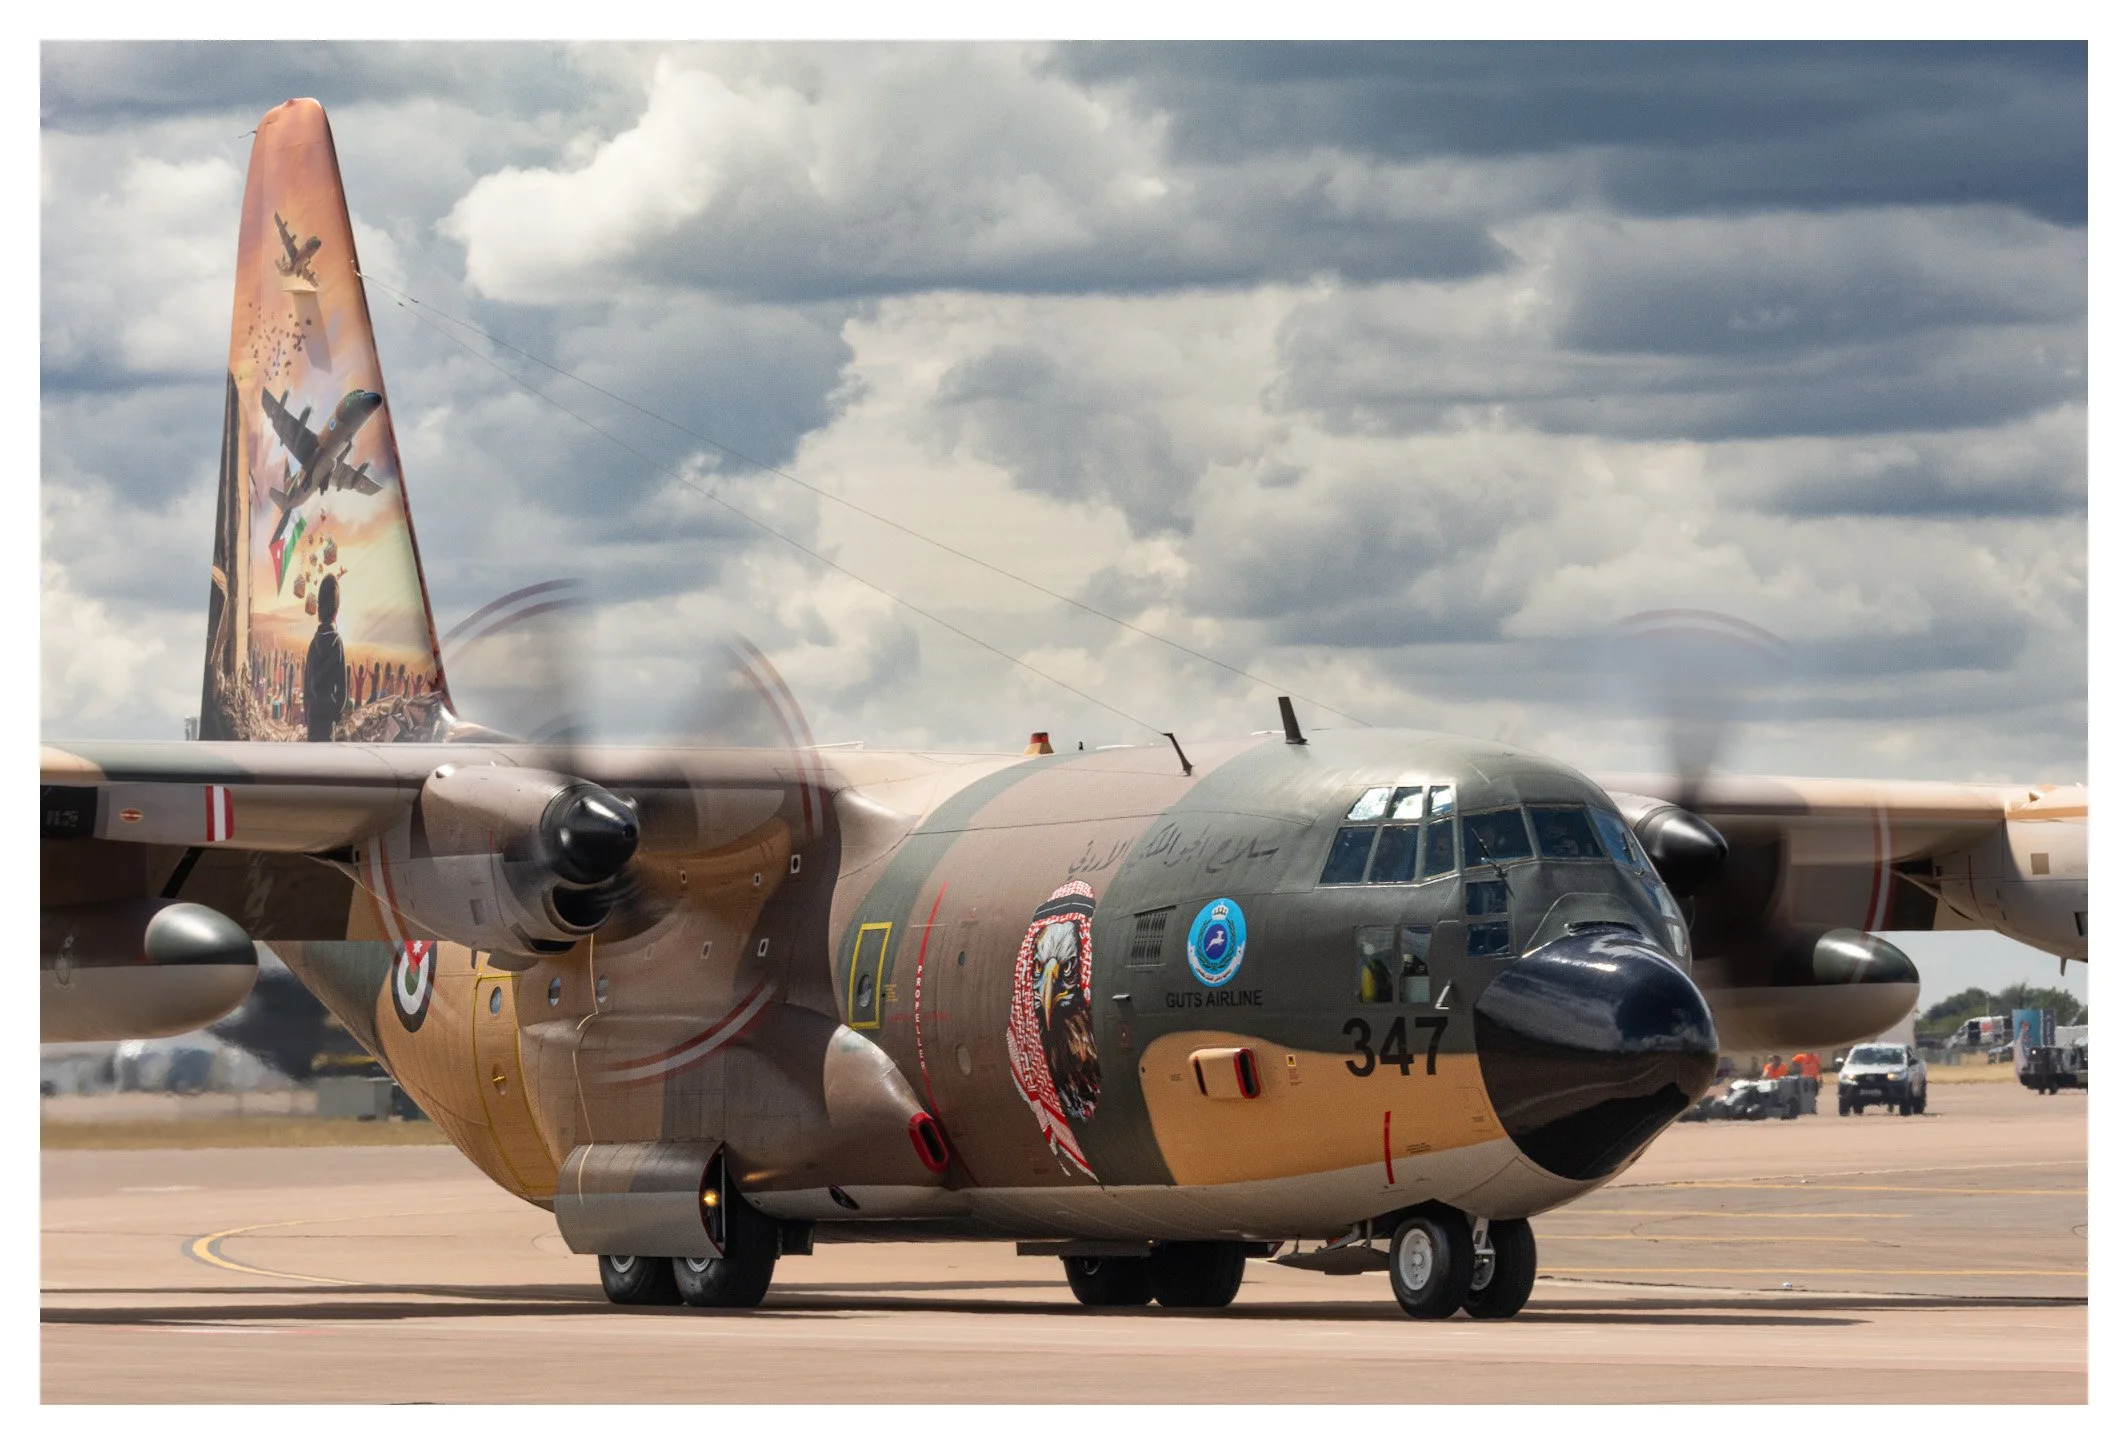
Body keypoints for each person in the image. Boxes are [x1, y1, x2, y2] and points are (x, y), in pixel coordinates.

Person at [302, 573, 347, 741]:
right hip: (328, 718)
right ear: (336, 610)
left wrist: (308, 711)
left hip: (313, 716)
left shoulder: (313, 643)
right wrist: (336, 713)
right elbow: (342, 689)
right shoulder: (337, 643)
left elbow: (307, 684)